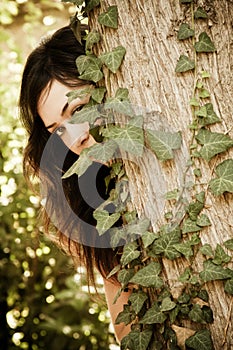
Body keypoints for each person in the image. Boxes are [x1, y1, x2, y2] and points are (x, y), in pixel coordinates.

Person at [19, 25, 131, 342]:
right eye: (58, 130)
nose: (77, 137)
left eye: (80, 109)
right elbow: (129, 333)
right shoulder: (97, 213)